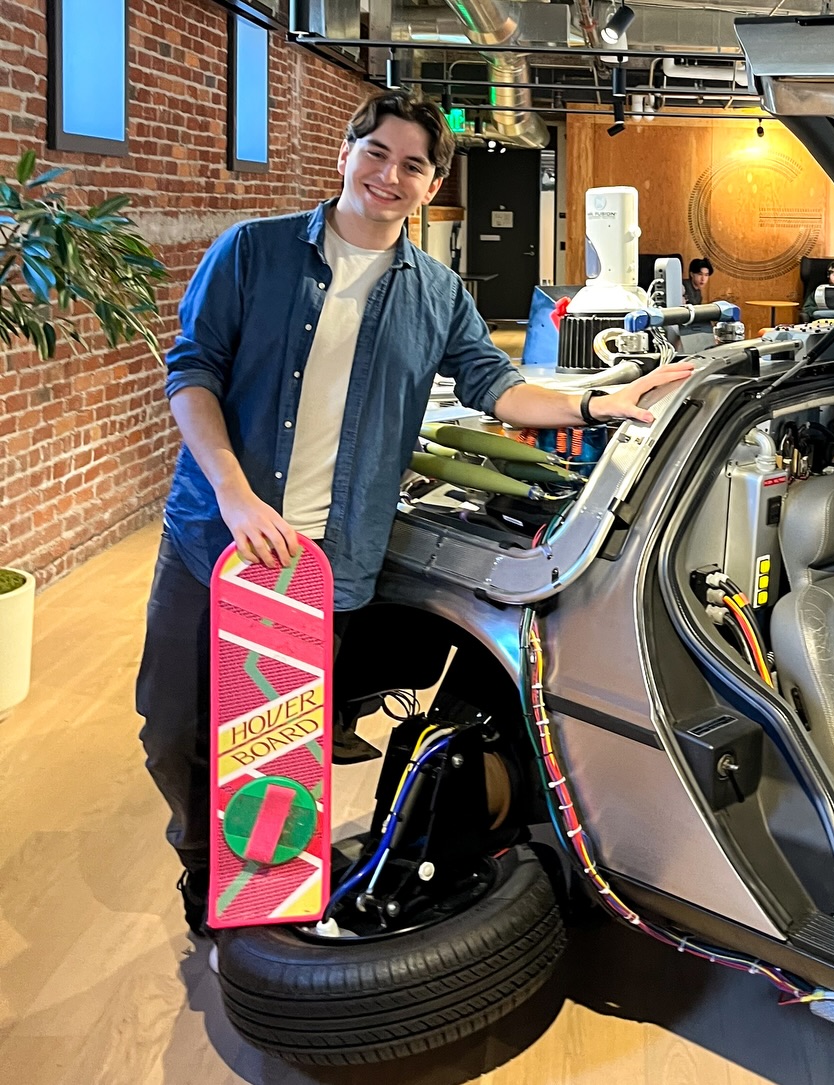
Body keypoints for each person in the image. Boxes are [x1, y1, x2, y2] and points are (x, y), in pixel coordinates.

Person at [137, 89, 693, 939]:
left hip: (327, 556)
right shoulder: (252, 252)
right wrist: (234, 492)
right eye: (376, 153)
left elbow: (495, 384)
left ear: (433, 186)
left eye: (412, 166)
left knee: (284, 744)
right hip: (217, 538)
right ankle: (200, 860)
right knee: (175, 724)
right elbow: (192, 373)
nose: (388, 176)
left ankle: (264, 889)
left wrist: (601, 404)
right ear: (345, 153)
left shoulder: (436, 292)